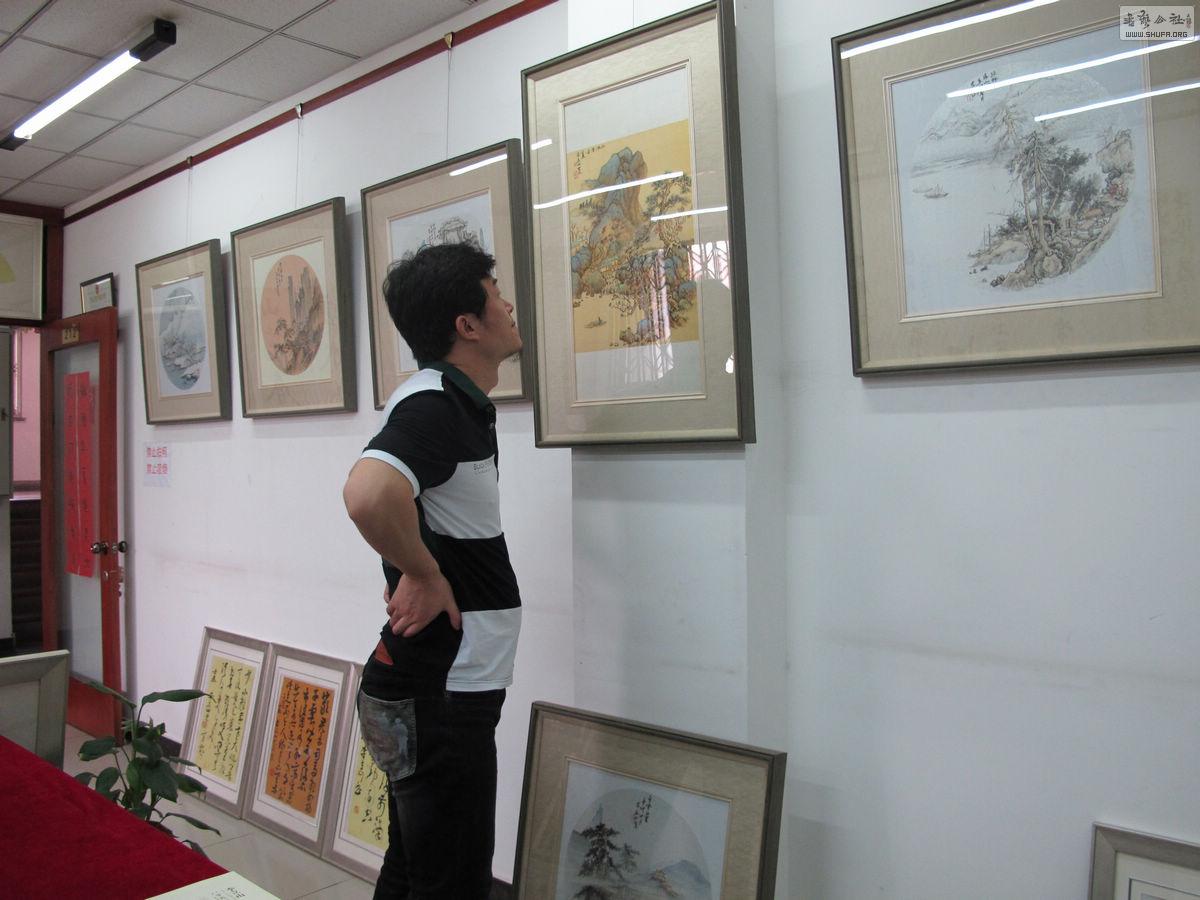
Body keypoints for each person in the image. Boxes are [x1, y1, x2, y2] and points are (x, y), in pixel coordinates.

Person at [343, 241, 523, 899]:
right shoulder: (435, 405)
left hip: (429, 687)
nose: (508, 306)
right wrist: (422, 573)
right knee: (451, 884)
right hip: (440, 694)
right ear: (467, 325)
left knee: (416, 869)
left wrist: (417, 563)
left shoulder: (449, 400)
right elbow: (368, 494)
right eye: (496, 294)